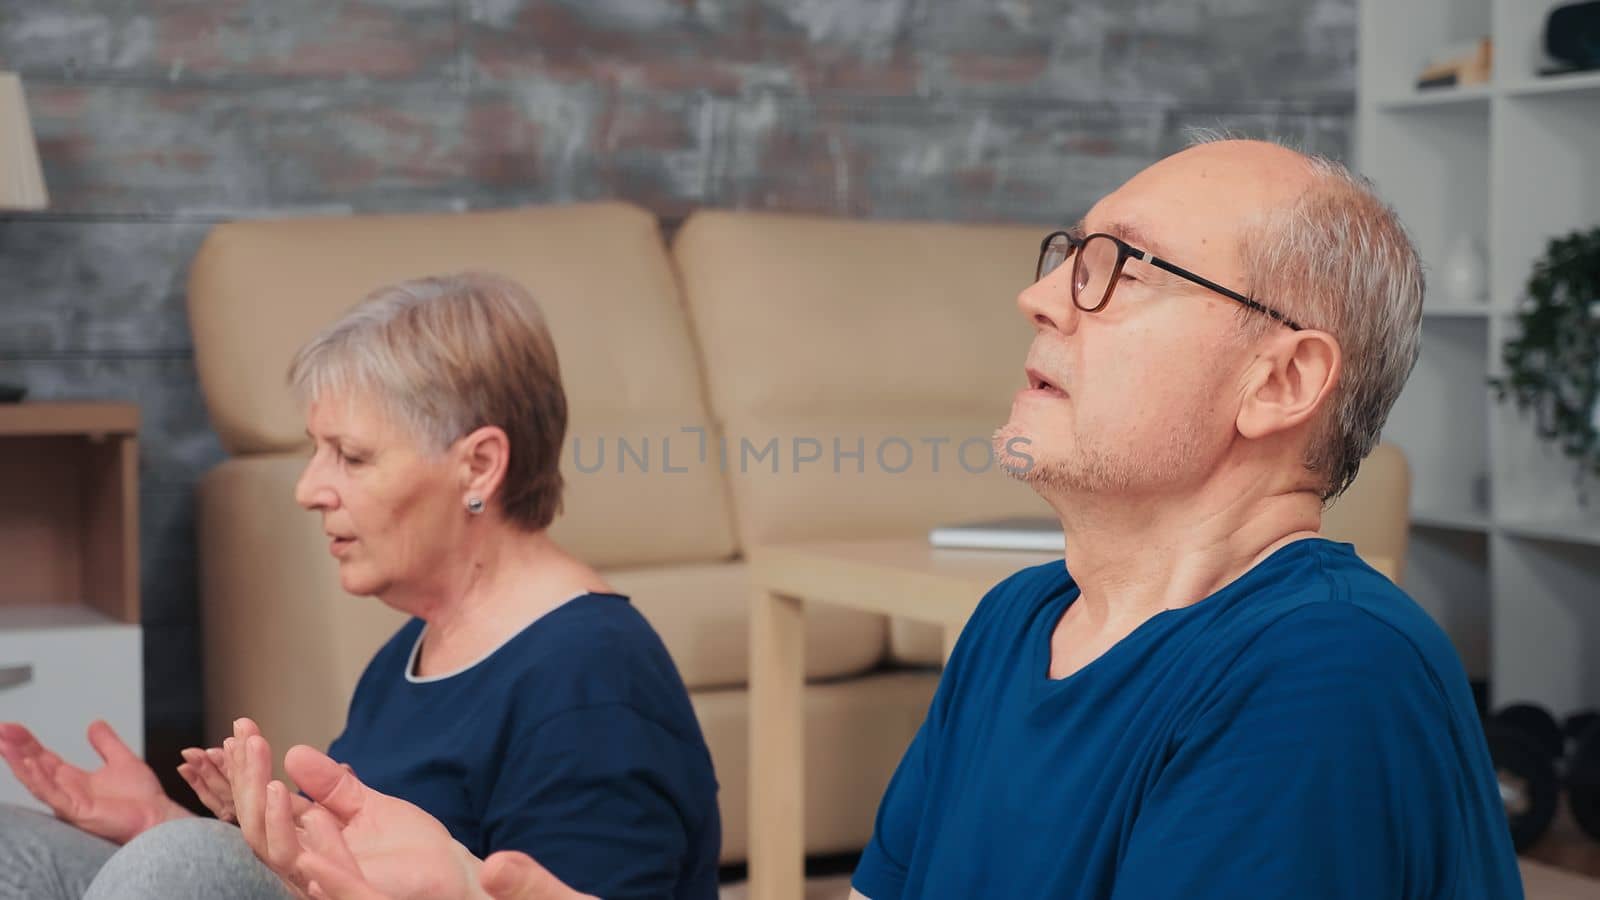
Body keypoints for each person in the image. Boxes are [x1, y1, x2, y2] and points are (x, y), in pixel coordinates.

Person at [247, 136, 1524, 900]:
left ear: (1280, 382)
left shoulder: (1322, 675)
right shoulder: (1020, 622)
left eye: (1115, 270)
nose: (1037, 300)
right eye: (1060, 254)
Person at [0, 272, 720, 900]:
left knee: (183, 863)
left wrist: (184, 855)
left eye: (351, 456)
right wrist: (158, 821)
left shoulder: (592, 683)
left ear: (478, 467)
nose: (310, 489)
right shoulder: (412, 653)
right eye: (318, 453)